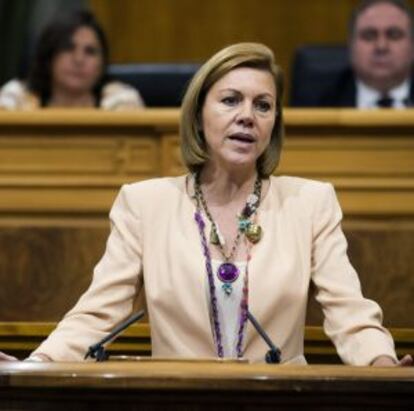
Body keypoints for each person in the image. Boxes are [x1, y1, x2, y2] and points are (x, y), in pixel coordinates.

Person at [0, 42, 412, 366]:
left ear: (274, 124)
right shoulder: (144, 204)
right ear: (198, 116)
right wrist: (36, 364)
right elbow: (95, 314)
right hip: (178, 398)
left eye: (263, 105)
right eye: (231, 100)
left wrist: (380, 361)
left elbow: (349, 312)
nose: (247, 116)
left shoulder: (310, 203)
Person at [0, 9, 144, 110]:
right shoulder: (16, 99)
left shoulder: (122, 101)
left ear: (102, 63)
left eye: (90, 51)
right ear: (49, 55)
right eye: (68, 48)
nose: (79, 59)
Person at [321, 0, 414, 108]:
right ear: (351, 46)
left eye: (394, 35)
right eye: (369, 36)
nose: (381, 46)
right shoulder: (319, 103)